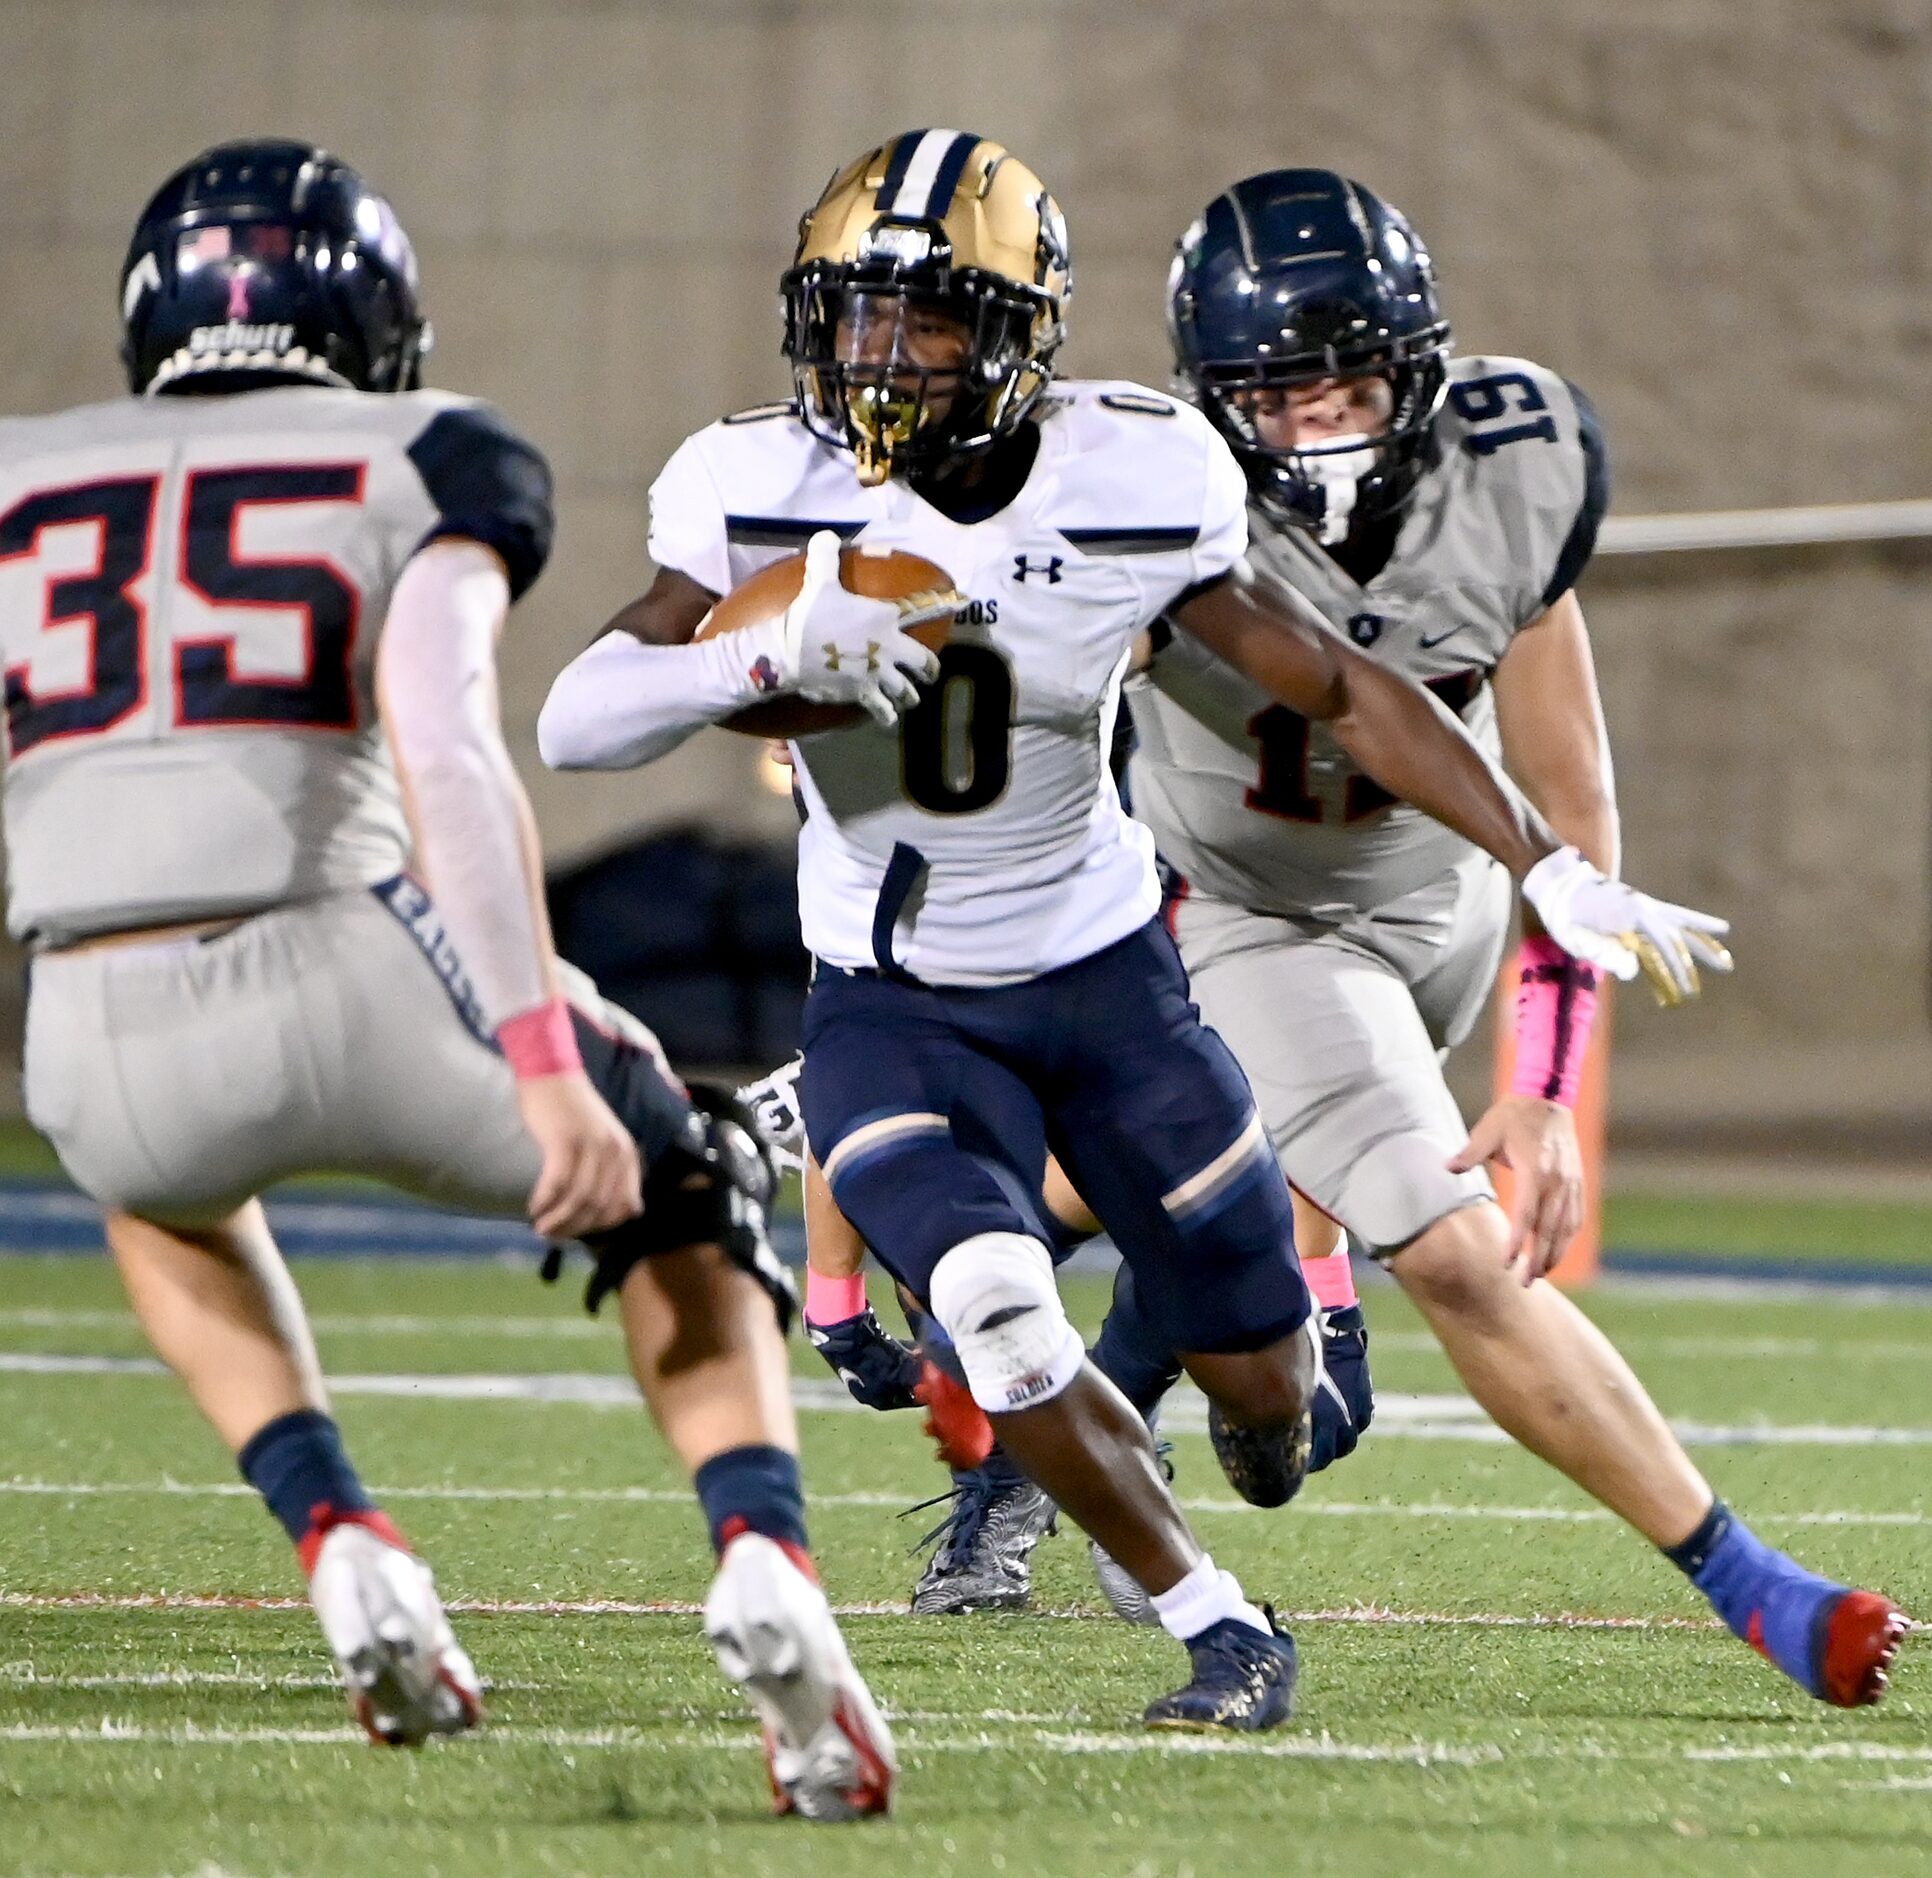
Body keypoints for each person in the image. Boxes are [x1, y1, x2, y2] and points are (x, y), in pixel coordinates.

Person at [538, 129, 1728, 1730]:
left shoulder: (1138, 472)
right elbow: (573, 720)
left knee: (1273, 1403)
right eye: (861, 317)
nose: (887, 358)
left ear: (1022, 333)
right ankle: (1218, 1624)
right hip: (900, 999)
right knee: (1004, 1314)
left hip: (1111, 986)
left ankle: (1227, 1399)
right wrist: (733, 667)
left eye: (935, 320)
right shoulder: (756, 486)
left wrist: (1544, 863)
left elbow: (1335, 685)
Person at [0, 139, 894, 1816]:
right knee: (684, 1184)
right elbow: (452, 759)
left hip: (88, 1026)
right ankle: (769, 1567)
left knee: (160, 1190)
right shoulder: (423, 454)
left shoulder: (18, 471)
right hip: (335, 958)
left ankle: (339, 1533)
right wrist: (547, 1057)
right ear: (375, 317)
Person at [1085, 167, 1906, 1708]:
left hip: (1458, 888)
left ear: (1423, 364)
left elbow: (1571, 799)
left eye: (1352, 381)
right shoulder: (1141, 486)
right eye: (1280, 395)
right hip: (1253, 909)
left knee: (1249, 1292)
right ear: (1212, 401)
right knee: (1452, 1254)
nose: (1322, 424)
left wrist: (1544, 1077)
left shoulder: (1514, 464)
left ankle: (1116, 1401)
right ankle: (1759, 1589)